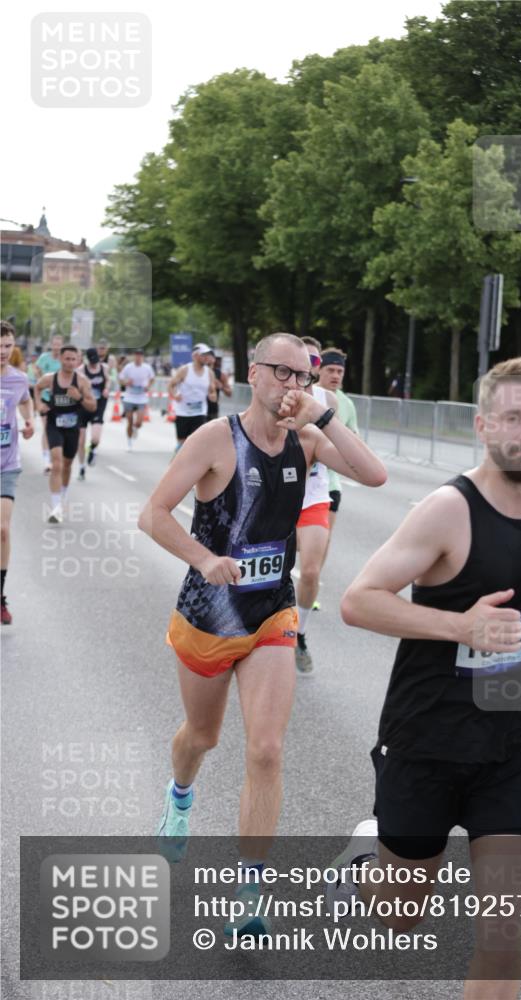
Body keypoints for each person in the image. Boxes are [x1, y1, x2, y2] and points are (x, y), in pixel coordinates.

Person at [329, 356, 521, 1000]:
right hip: (427, 730)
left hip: (514, 730)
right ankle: (367, 863)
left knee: (501, 932)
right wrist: (460, 627)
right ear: (484, 426)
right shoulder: (445, 510)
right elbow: (358, 600)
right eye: (513, 417)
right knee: (399, 915)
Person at [138, 332, 386, 935]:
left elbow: (375, 475)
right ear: (255, 373)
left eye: (305, 376)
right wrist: (202, 559)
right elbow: (152, 515)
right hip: (209, 613)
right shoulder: (215, 439)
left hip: (272, 611)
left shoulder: (307, 438)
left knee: (267, 749)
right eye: (284, 373)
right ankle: (178, 797)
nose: (294, 386)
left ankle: (248, 890)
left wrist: (322, 412)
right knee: (203, 736)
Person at [293, 337, 338, 674]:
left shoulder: (327, 399)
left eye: (317, 361)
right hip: (278, 496)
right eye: (307, 358)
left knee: (310, 571)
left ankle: (300, 633)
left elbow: (345, 443)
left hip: (314, 496)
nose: (313, 365)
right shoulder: (283, 394)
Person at [34, 344, 97, 523]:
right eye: (67, 359)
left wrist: (79, 398)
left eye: (73, 359)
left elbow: (92, 406)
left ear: (78, 361)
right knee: (56, 463)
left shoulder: (82, 381)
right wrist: (39, 405)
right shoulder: (50, 379)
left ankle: (64, 495)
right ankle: (55, 507)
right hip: (54, 424)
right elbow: (37, 388)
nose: (70, 362)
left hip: (73, 427)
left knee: (68, 465)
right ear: (60, 359)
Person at [0, 321, 34, 624]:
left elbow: (25, 401)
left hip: (6, 464)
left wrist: (30, 421)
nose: (2, 352)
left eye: (7, 346)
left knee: (3, 529)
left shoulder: (18, 379)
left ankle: (0, 597)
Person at [317, 347, 359, 534]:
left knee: (323, 540)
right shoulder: (308, 394)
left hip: (331, 483)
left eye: (340, 371)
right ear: (319, 370)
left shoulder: (347, 404)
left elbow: (353, 442)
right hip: (304, 480)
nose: (336, 375)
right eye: (330, 370)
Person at [168, 344, 218, 450]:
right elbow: (171, 385)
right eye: (203, 355)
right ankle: (178, 462)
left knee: (196, 442)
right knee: (181, 445)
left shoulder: (209, 373)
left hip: (200, 412)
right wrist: (175, 395)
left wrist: (213, 396)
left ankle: (192, 464)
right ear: (195, 356)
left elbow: (212, 391)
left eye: (207, 355)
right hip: (183, 411)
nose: (206, 357)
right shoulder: (184, 370)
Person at [76, 348, 110, 479]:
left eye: (96, 361)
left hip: (98, 406)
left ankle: (92, 449)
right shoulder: (81, 370)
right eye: (92, 362)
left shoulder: (104, 368)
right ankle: (81, 467)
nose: (94, 364)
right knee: (80, 440)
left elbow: (108, 380)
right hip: (83, 408)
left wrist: (106, 388)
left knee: (96, 437)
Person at [35, 334, 63, 473]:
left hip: (59, 400)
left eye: (59, 345)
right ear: (51, 345)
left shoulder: (63, 360)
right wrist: (42, 381)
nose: (57, 347)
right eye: (55, 344)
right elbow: (36, 369)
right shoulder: (44, 358)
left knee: (57, 429)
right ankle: (47, 460)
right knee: (47, 427)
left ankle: (55, 456)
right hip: (45, 397)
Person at [119, 348, 155, 449]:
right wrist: (126, 382)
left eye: (140, 355)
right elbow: (120, 379)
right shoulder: (128, 367)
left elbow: (152, 378)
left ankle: (135, 428)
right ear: (134, 356)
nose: (138, 357)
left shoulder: (147, 368)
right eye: (137, 355)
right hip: (129, 396)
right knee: (129, 420)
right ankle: (129, 442)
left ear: (142, 357)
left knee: (139, 422)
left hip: (141, 397)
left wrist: (148, 386)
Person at [206, 351, 233, 422]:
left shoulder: (220, 374)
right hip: (198, 411)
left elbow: (229, 393)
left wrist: (220, 386)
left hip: (212, 410)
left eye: (219, 359)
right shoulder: (198, 372)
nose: (219, 361)